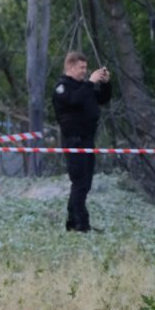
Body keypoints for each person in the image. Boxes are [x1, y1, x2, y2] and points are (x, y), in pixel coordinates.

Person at [52, 51, 112, 232]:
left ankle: (73, 223)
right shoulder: (62, 87)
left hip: (87, 141)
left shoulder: (84, 86)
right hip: (74, 142)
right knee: (80, 183)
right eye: (81, 68)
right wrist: (91, 82)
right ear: (70, 66)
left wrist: (106, 83)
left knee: (85, 184)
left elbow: (102, 99)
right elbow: (74, 100)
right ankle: (81, 225)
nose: (85, 72)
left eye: (86, 68)